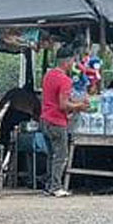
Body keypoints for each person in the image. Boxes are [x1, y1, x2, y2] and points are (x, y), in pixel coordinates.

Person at [40, 47, 88, 197]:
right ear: (67, 62)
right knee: (61, 156)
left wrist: (75, 101)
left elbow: (57, 98)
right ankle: (56, 187)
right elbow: (63, 105)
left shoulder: (48, 75)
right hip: (57, 121)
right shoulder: (65, 80)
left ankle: (49, 185)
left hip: (45, 120)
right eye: (73, 60)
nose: (74, 63)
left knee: (51, 155)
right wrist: (79, 106)